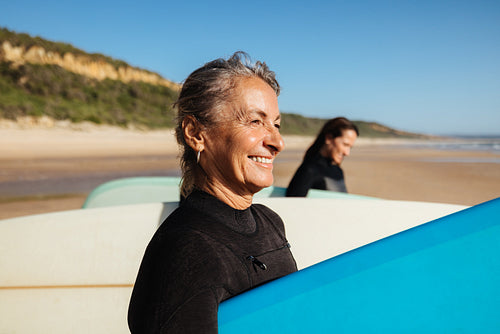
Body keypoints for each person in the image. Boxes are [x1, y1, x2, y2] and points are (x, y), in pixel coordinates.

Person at [128, 52, 297, 333]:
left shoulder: (269, 221)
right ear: (196, 133)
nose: (277, 141)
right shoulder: (187, 249)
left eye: (276, 124)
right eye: (255, 121)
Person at [286, 117, 359, 196]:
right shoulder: (309, 169)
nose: (347, 153)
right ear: (329, 138)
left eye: (350, 147)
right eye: (345, 144)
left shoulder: (338, 171)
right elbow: (292, 204)